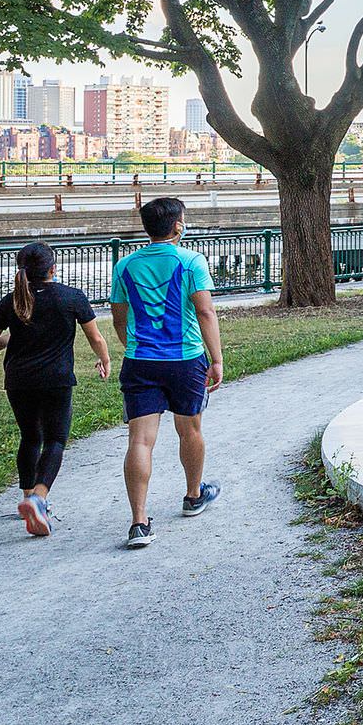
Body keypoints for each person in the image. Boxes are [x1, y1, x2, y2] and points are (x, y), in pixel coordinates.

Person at [111, 197, 224, 549]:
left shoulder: (124, 266)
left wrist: (132, 346)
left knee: (140, 440)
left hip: (140, 360)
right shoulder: (191, 261)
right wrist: (216, 358)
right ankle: (193, 496)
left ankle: (139, 522)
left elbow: (119, 317)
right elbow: (204, 312)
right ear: (177, 226)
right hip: (185, 359)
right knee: (189, 429)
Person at [0, 242, 109, 538]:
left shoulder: (10, 301)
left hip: (19, 380)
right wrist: (105, 360)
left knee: (30, 437)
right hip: (57, 379)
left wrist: (12, 339)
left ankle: (27, 499)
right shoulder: (71, 297)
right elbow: (96, 338)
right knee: (55, 440)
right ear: (53, 268)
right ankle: (39, 498)